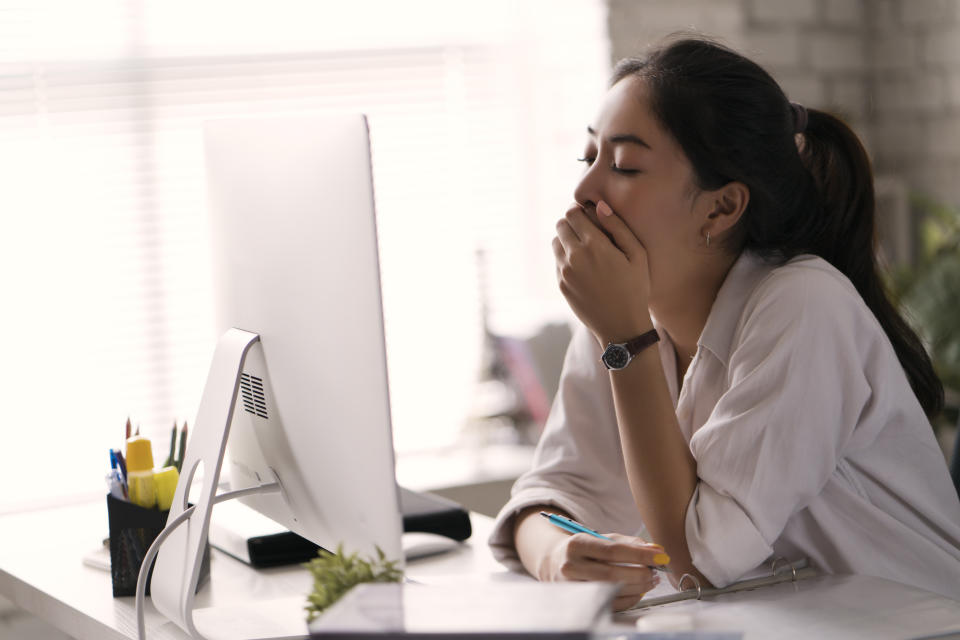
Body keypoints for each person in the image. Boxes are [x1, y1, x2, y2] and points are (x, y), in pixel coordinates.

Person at [488, 36, 960, 612]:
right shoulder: (619, 314)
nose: (584, 191)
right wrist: (556, 558)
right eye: (588, 159)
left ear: (721, 208)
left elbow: (693, 562)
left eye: (624, 166)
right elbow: (549, 493)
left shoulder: (803, 306)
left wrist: (624, 341)